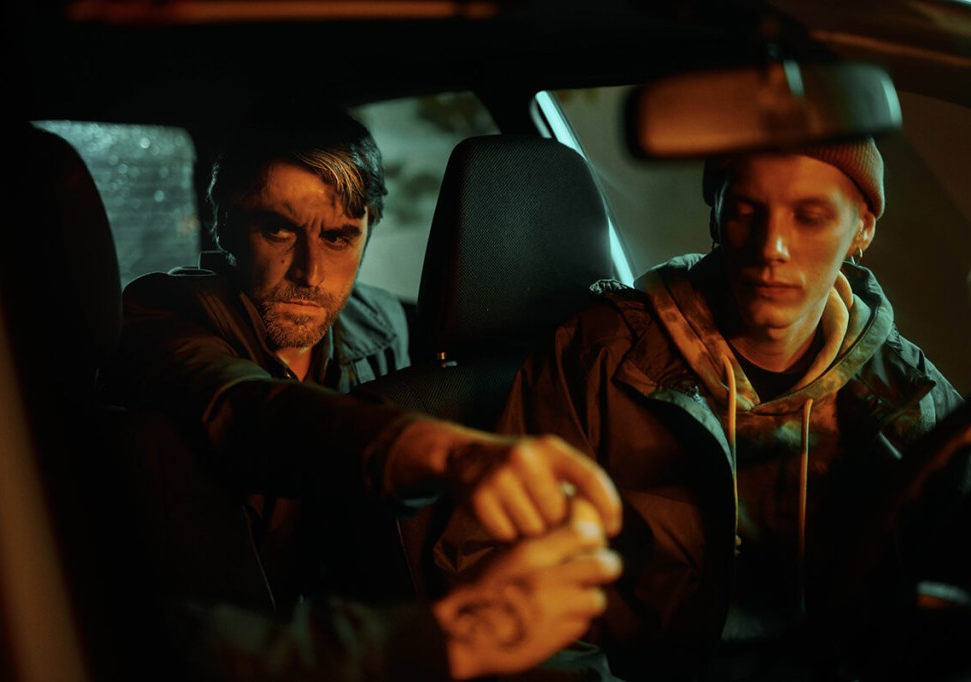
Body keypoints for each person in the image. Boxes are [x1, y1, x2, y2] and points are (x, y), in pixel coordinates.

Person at [97, 107, 625, 680]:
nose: (309, 272)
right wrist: (443, 453)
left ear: (368, 232)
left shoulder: (382, 325)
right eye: (278, 230)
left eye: (338, 237)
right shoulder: (161, 316)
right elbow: (243, 408)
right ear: (223, 223)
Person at [441, 137, 969, 680]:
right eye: (745, 211)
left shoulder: (910, 395)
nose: (772, 247)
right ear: (714, 213)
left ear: (862, 228)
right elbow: (495, 580)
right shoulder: (601, 357)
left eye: (809, 218)